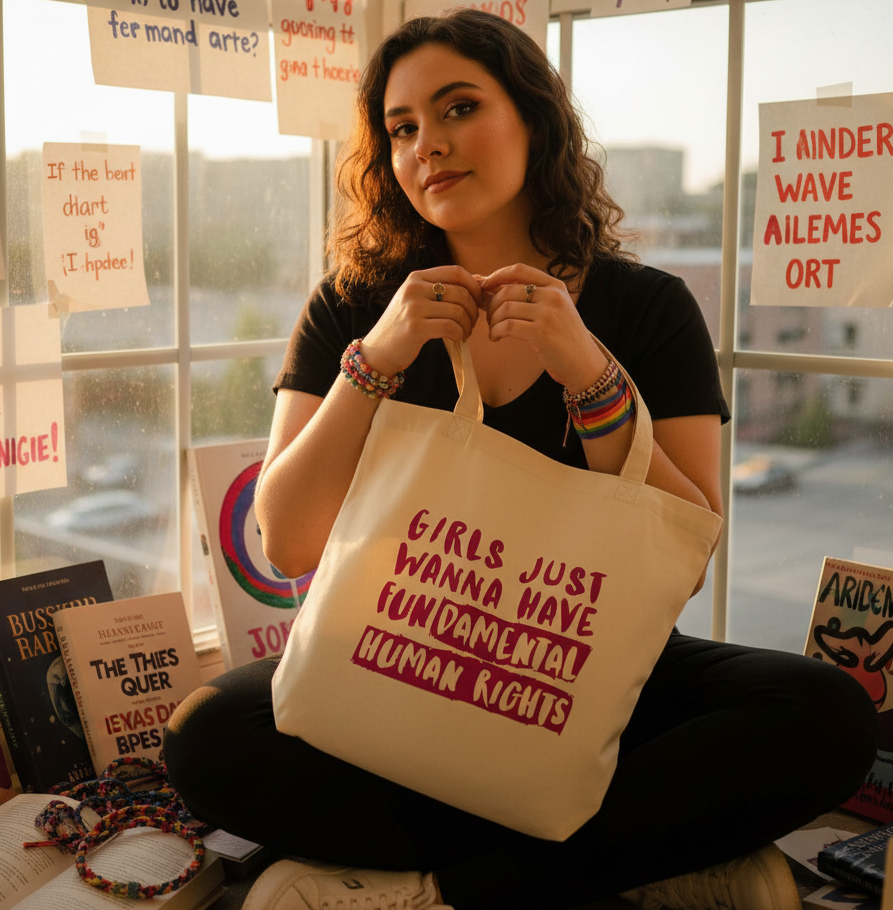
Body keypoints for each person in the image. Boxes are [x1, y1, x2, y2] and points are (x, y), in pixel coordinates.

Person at [165, 10, 878, 910]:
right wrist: (376, 359)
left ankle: (439, 887)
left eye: (459, 107)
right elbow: (289, 543)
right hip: (390, 657)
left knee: (825, 717)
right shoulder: (352, 306)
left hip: (580, 665)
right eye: (402, 128)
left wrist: (588, 369)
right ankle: (624, 860)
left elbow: (686, 555)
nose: (429, 144)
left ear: (534, 120)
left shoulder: (647, 306)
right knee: (204, 736)